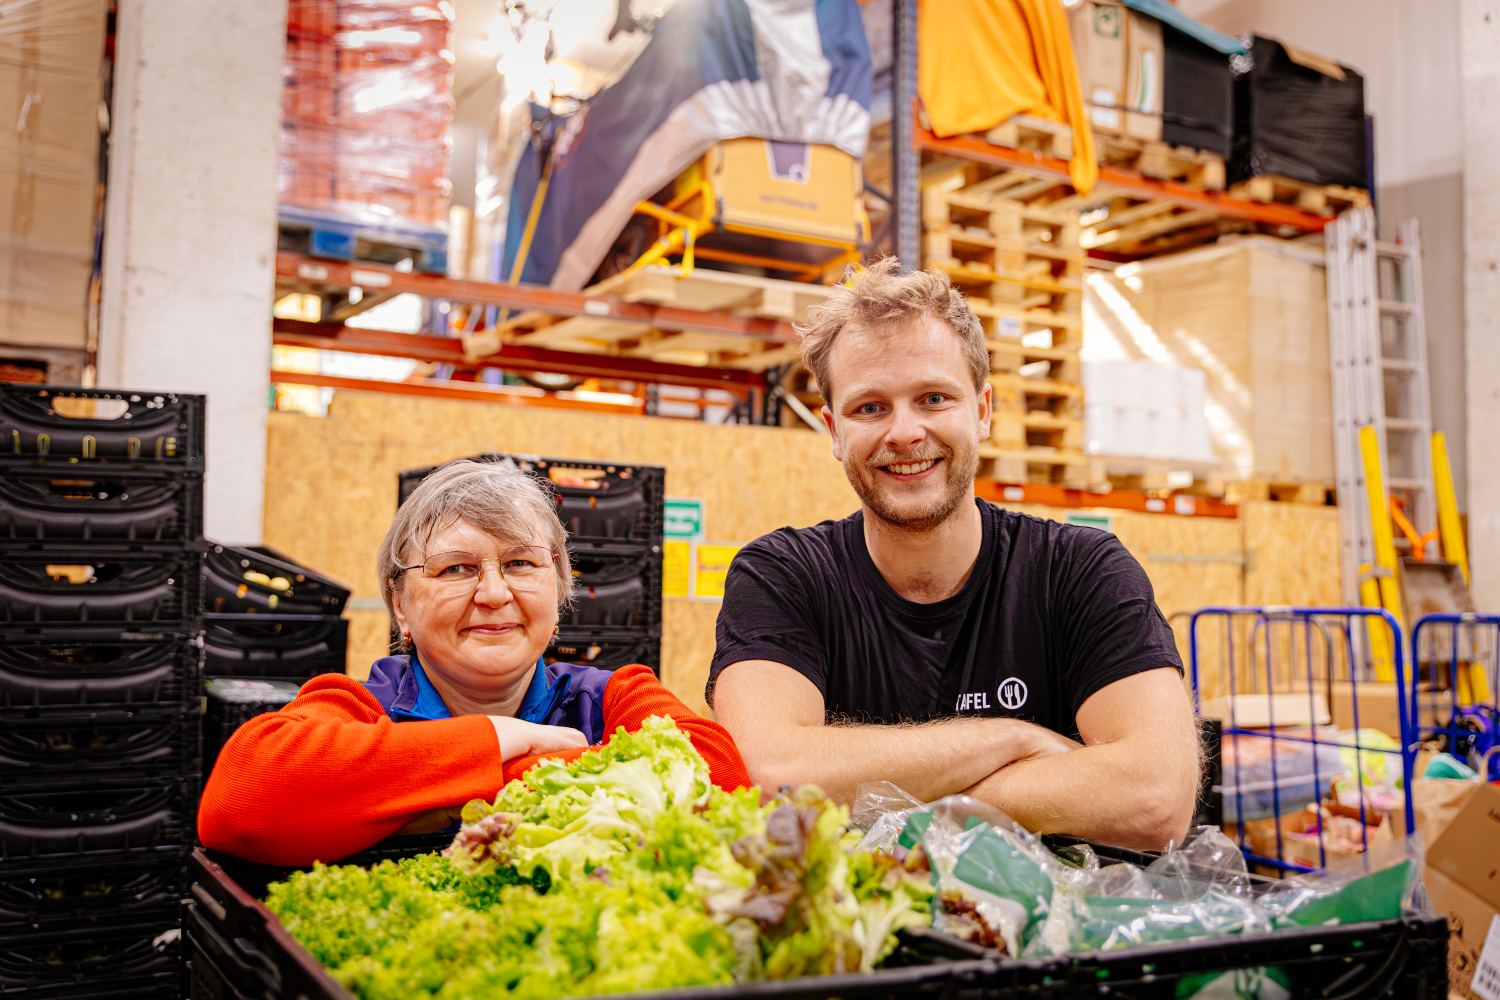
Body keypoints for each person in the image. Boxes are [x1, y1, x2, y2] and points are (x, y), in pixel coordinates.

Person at [708, 259, 1200, 852]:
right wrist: (1015, 740)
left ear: (983, 411)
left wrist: (869, 794)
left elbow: (1154, 798)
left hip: (1064, 937)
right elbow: (765, 775)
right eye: (871, 408)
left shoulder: (1080, 571)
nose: (905, 432)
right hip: (855, 936)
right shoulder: (783, 577)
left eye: (934, 398)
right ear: (834, 431)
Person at [199, 460, 749, 866]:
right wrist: (499, 739)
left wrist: (426, 794)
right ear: (400, 605)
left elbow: (722, 782)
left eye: (520, 563)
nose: (493, 593)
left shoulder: (614, 698)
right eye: (456, 569)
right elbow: (239, 802)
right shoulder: (359, 705)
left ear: (558, 592)